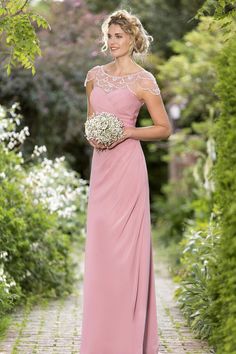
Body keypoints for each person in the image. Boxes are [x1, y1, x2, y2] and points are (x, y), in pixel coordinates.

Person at [80, 8, 172, 354]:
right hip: (102, 167)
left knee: (126, 253)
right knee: (103, 250)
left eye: (119, 35)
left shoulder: (144, 80)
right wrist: (96, 136)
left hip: (128, 167)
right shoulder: (93, 76)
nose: (112, 41)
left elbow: (164, 128)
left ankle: (129, 338)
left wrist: (125, 132)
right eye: (109, 35)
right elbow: (90, 122)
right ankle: (102, 338)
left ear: (133, 39)